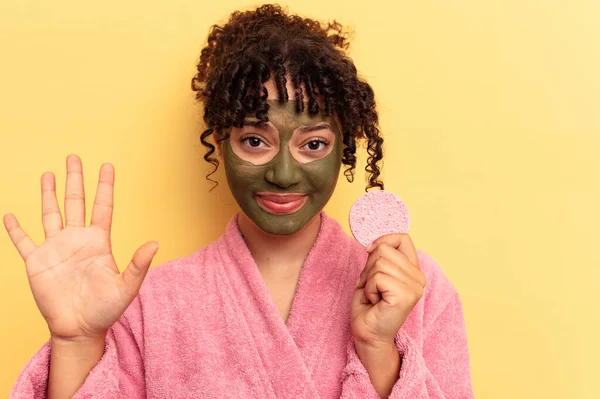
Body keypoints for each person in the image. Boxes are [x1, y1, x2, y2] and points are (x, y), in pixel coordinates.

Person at [5, 4, 473, 399]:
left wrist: (377, 349)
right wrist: (78, 340)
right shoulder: (150, 305)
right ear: (219, 141)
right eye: (254, 140)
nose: (284, 174)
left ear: (344, 147)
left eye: (313, 144)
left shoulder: (416, 291)